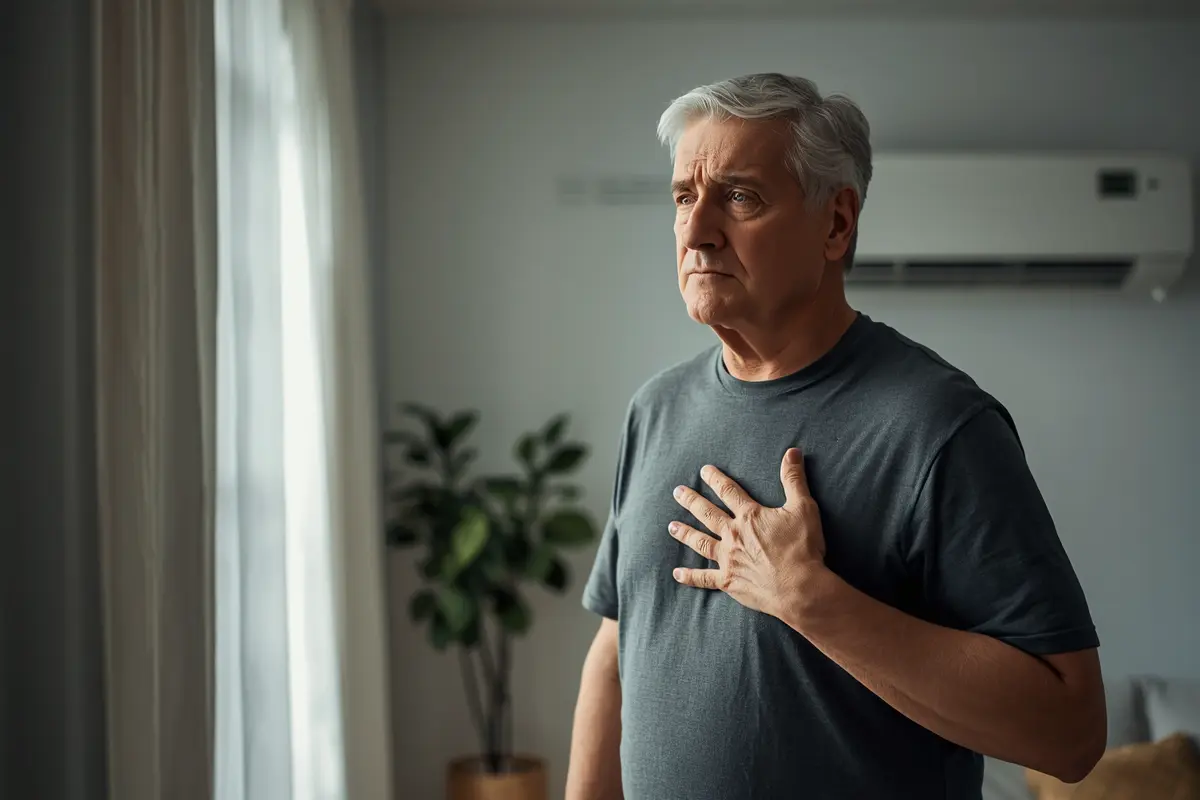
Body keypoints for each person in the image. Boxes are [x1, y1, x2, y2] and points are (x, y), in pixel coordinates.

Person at [564, 73, 1106, 800]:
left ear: (836, 224)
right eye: (684, 198)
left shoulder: (939, 425)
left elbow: (1070, 733)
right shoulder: (655, 408)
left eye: (740, 196)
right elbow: (617, 648)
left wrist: (813, 601)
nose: (695, 232)